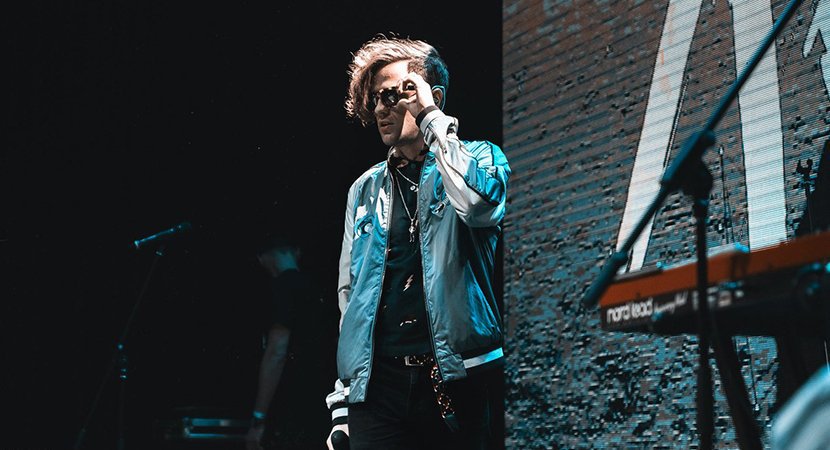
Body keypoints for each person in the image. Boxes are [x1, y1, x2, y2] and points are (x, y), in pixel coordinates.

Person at [324, 34, 511, 450]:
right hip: (379, 389)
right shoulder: (365, 188)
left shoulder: (481, 158)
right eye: (376, 99)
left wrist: (431, 118)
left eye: (393, 95)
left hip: (460, 376)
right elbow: (350, 299)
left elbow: (478, 206)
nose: (380, 109)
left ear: (432, 97)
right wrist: (343, 403)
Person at [246, 234, 336, 450]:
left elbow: (276, 352)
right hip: (321, 402)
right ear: (297, 252)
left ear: (262, 258)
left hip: (289, 406)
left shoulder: (280, 289)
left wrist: (259, 417)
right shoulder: (319, 289)